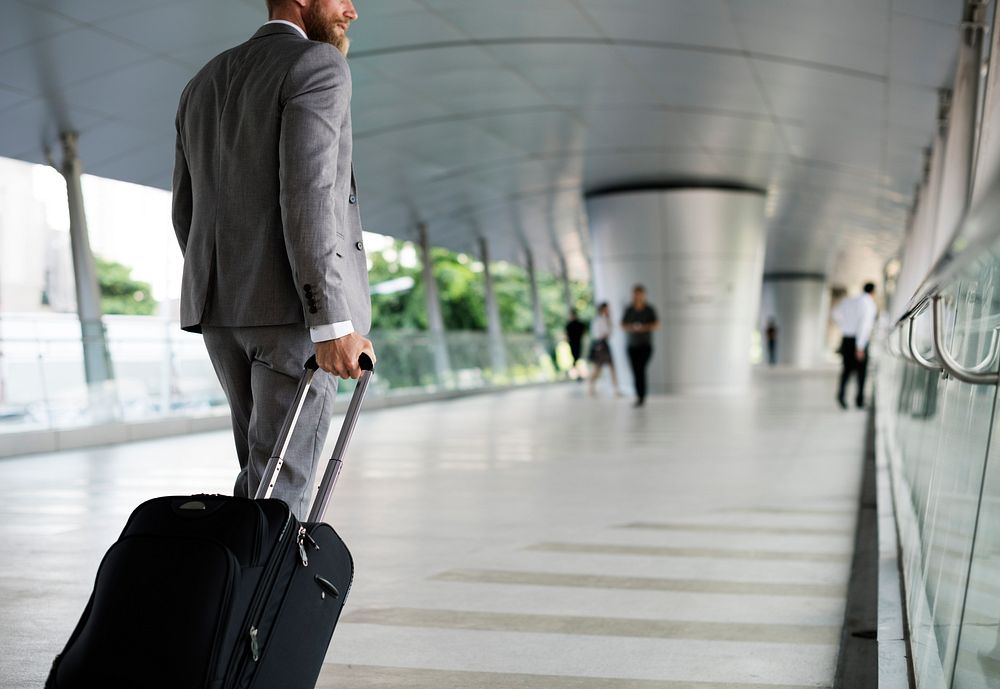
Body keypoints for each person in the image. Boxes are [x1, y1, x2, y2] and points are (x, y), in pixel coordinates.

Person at [172, 0, 375, 519]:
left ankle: (239, 596)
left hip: (221, 314)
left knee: (259, 482)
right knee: (284, 491)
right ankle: (262, 598)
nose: (351, 11)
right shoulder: (317, 64)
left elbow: (186, 212)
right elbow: (307, 193)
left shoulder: (202, 82)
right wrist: (331, 321)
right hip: (293, 317)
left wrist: (226, 287)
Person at [832, 282, 878, 410]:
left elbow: (835, 313)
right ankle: (859, 400)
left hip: (846, 338)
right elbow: (865, 326)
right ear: (873, 292)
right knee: (861, 372)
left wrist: (844, 326)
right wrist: (860, 347)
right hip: (859, 341)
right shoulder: (869, 304)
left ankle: (841, 396)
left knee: (846, 370)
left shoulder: (849, 301)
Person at [621, 284, 659, 407]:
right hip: (632, 345)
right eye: (635, 294)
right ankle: (639, 396)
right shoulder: (629, 309)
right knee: (635, 371)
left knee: (641, 370)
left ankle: (642, 396)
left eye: (639, 294)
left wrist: (644, 328)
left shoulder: (649, 309)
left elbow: (656, 324)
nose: (637, 296)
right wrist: (633, 328)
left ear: (643, 295)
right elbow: (623, 325)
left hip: (645, 345)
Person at [587, 302, 619, 396]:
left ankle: (615, 390)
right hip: (600, 345)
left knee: (612, 367)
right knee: (597, 368)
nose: (607, 310)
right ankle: (591, 387)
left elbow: (610, 332)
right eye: (606, 308)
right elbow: (597, 334)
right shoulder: (597, 320)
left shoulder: (607, 319)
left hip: (605, 343)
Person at [565, 308, 587, 380]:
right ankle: (577, 374)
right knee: (575, 359)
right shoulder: (569, 325)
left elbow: (584, 332)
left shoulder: (579, 324)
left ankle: (578, 373)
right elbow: (566, 335)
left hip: (578, 343)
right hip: (572, 344)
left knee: (577, 359)